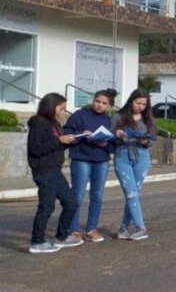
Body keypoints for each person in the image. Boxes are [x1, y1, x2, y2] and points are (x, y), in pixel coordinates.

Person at [27, 93, 85, 253]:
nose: (63, 112)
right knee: (46, 206)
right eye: (61, 108)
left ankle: (61, 236)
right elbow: (36, 149)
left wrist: (72, 140)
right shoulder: (37, 123)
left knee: (71, 202)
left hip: (55, 171)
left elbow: (54, 146)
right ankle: (37, 241)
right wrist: (58, 140)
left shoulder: (53, 124)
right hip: (44, 170)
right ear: (51, 107)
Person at [63, 88, 116, 242]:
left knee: (97, 196)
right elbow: (67, 132)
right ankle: (73, 230)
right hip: (81, 159)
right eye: (97, 101)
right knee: (77, 195)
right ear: (93, 101)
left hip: (101, 161)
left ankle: (91, 229)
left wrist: (104, 143)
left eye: (104, 103)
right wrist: (82, 133)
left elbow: (114, 145)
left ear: (109, 106)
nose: (99, 105)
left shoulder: (110, 121)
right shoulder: (80, 115)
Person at [112, 89, 157, 241]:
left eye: (144, 104)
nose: (141, 106)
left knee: (134, 194)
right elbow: (110, 138)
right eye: (138, 103)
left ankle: (124, 227)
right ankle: (140, 227)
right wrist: (117, 135)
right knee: (130, 193)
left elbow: (152, 140)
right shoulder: (118, 117)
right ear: (131, 101)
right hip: (123, 156)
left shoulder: (148, 119)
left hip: (142, 156)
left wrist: (145, 141)